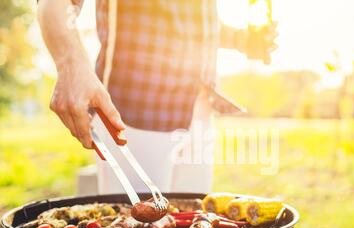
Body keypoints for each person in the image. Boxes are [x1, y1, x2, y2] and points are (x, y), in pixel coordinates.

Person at [37, 0, 277, 194]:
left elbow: (189, 22)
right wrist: (69, 63)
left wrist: (243, 40)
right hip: (134, 109)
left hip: (199, 108)